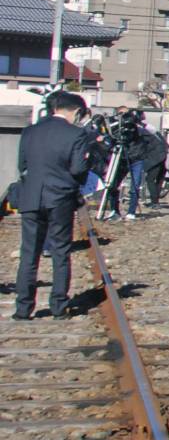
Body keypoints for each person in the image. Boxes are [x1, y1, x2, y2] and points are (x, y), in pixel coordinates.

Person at [13, 91, 93, 320]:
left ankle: (23, 309)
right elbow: (78, 169)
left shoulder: (30, 131)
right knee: (60, 251)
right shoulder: (76, 134)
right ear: (76, 111)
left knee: (29, 253)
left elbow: (22, 165)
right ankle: (58, 306)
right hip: (60, 198)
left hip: (31, 197)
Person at [136, 121, 169, 209]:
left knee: (150, 179)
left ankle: (155, 202)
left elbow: (145, 147)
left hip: (157, 158)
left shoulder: (143, 134)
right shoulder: (155, 133)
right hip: (164, 156)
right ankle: (155, 201)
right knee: (158, 180)